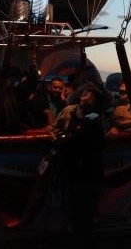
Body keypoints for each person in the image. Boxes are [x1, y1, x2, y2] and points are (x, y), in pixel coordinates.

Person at [53, 83, 106, 246]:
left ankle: (82, 239)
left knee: (84, 208)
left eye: (90, 95)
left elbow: (81, 139)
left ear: (95, 100)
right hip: (79, 169)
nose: (86, 97)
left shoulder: (95, 118)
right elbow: (57, 128)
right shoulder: (71, 112)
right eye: (85, 94)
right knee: (78, 207)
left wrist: (66, 139)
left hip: (86, 170)